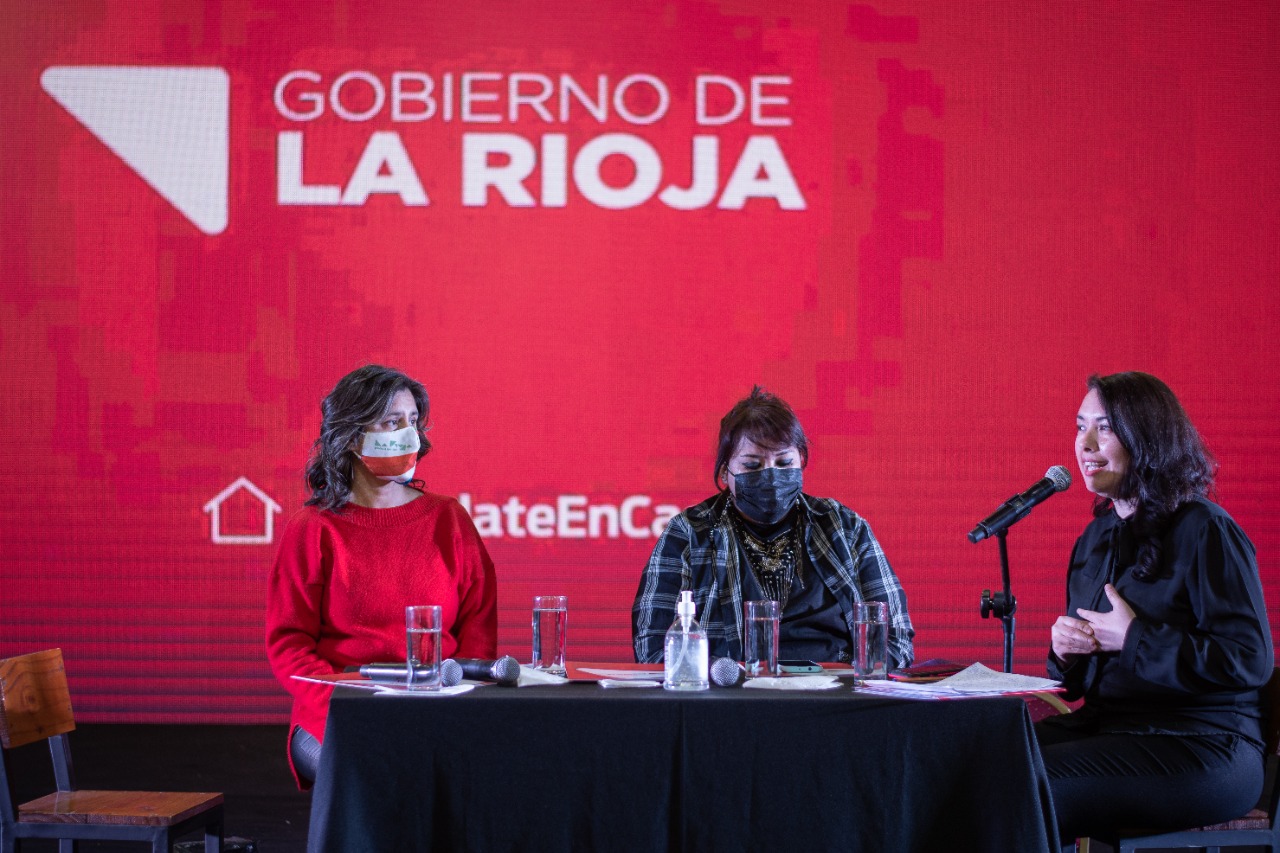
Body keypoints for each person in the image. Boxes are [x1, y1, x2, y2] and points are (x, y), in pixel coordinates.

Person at [1037, 372, 1273, 845]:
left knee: (1023, 782)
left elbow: (1250, 660)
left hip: (1205, 745)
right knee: (981, 759)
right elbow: (1080, 683)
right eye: (1080, 426)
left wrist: (1134, 639)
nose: (1085, 443)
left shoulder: (1205, 528)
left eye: (1105, 428)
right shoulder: (1095, 539)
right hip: (1111, 729)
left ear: (1147, 439)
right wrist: (1065, 653)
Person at [266, 365, 497, 787]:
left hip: (436, 712)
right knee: (385, 776)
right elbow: (289, 645)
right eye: (392, 422)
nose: (409, 434)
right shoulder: (313, 528)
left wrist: (455, 702)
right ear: (353, 437)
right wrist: (345, 703)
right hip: (338, 717)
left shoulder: (448, 519)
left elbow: (477, 631)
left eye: (413, 421)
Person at [632, 387, 913, 668]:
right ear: (725, 472)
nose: (771, 476)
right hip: (732, 692)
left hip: (838, 689)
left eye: (784, 463)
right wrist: (723, 673)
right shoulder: (689, 533)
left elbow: (896, 640)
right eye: (752, 466)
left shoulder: (844, 527)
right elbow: (653, 649)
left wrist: (854, 677)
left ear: (802, 461)